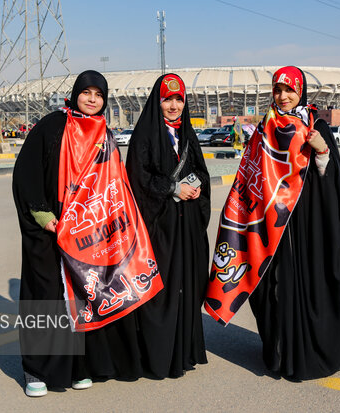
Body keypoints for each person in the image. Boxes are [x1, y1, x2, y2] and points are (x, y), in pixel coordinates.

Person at [13, 70, 161, 397]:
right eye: (86, 92)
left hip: (89, 232)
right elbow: (27, 171)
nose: (92, 99)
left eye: (98, 94)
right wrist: (43, 215)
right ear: (75, 93)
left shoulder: (104, 133)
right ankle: (37, 371)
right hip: (51, 229)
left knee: (86, 297)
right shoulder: (52, 125)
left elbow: (114, 182)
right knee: (48, 298)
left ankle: (78, 366)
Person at [204, 66, 340, 381]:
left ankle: (309, 354)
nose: (283, 96)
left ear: (300, 90)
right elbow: (250, 176)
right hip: (269, 231)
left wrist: (322, 152)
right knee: (275, 292)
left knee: (308, 288)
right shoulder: (264, 129)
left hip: (306, 227)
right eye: (278, 90)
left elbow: (332, 185)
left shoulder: (316, 126)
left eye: (289, 89)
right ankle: (280, 354)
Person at [126, 73, 211, 379]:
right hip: (159, 226)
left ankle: (184, 351)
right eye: (167, 99)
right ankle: (158, 356)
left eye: (178, 99)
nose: (173, 105)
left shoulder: (187, 134)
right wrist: (172, 189)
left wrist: (198, 186)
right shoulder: (145, 134)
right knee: (160, 288)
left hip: (186, 225)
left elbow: (199, 169)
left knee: (186, 286)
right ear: (156, 101)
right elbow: (138, 176)